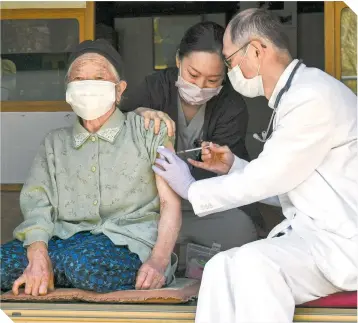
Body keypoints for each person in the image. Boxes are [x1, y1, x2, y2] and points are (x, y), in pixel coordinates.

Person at [152, 8, 357, 323]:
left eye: (231, 62)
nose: (232, 71)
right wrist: (233, 167)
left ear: (258, 50)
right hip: (315, 239)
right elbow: (287, 183)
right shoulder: (293, 97)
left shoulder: (312, 97)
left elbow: (267, 179)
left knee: (254, 263)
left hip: (341, 245)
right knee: (220, 266)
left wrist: (192, 189)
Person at [0, 39, 181, 296]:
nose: (88, 86)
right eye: (79, 79)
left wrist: (159, 262)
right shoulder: (54, 142)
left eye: (98, 77)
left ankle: (58, 272)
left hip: (127, 242)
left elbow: (169, 203)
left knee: (86, 266)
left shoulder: (150, 130)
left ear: (119, 90)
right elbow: (37, 205)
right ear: (68, 90)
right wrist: (38, 256)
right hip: (62, 240)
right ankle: (52, 270)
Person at [122, 22, 262, 263]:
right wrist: (138, 114)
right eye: (193, 75)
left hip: (205, 205)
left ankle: (176, 250)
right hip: (153, 203)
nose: (199, 87)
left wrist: (190, 181)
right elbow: (112, 126)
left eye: (212, 80)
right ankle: (182, 251)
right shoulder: (155, 87)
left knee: (241, 231)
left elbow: (231, 180)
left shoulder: (231, 106)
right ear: (178, 61)